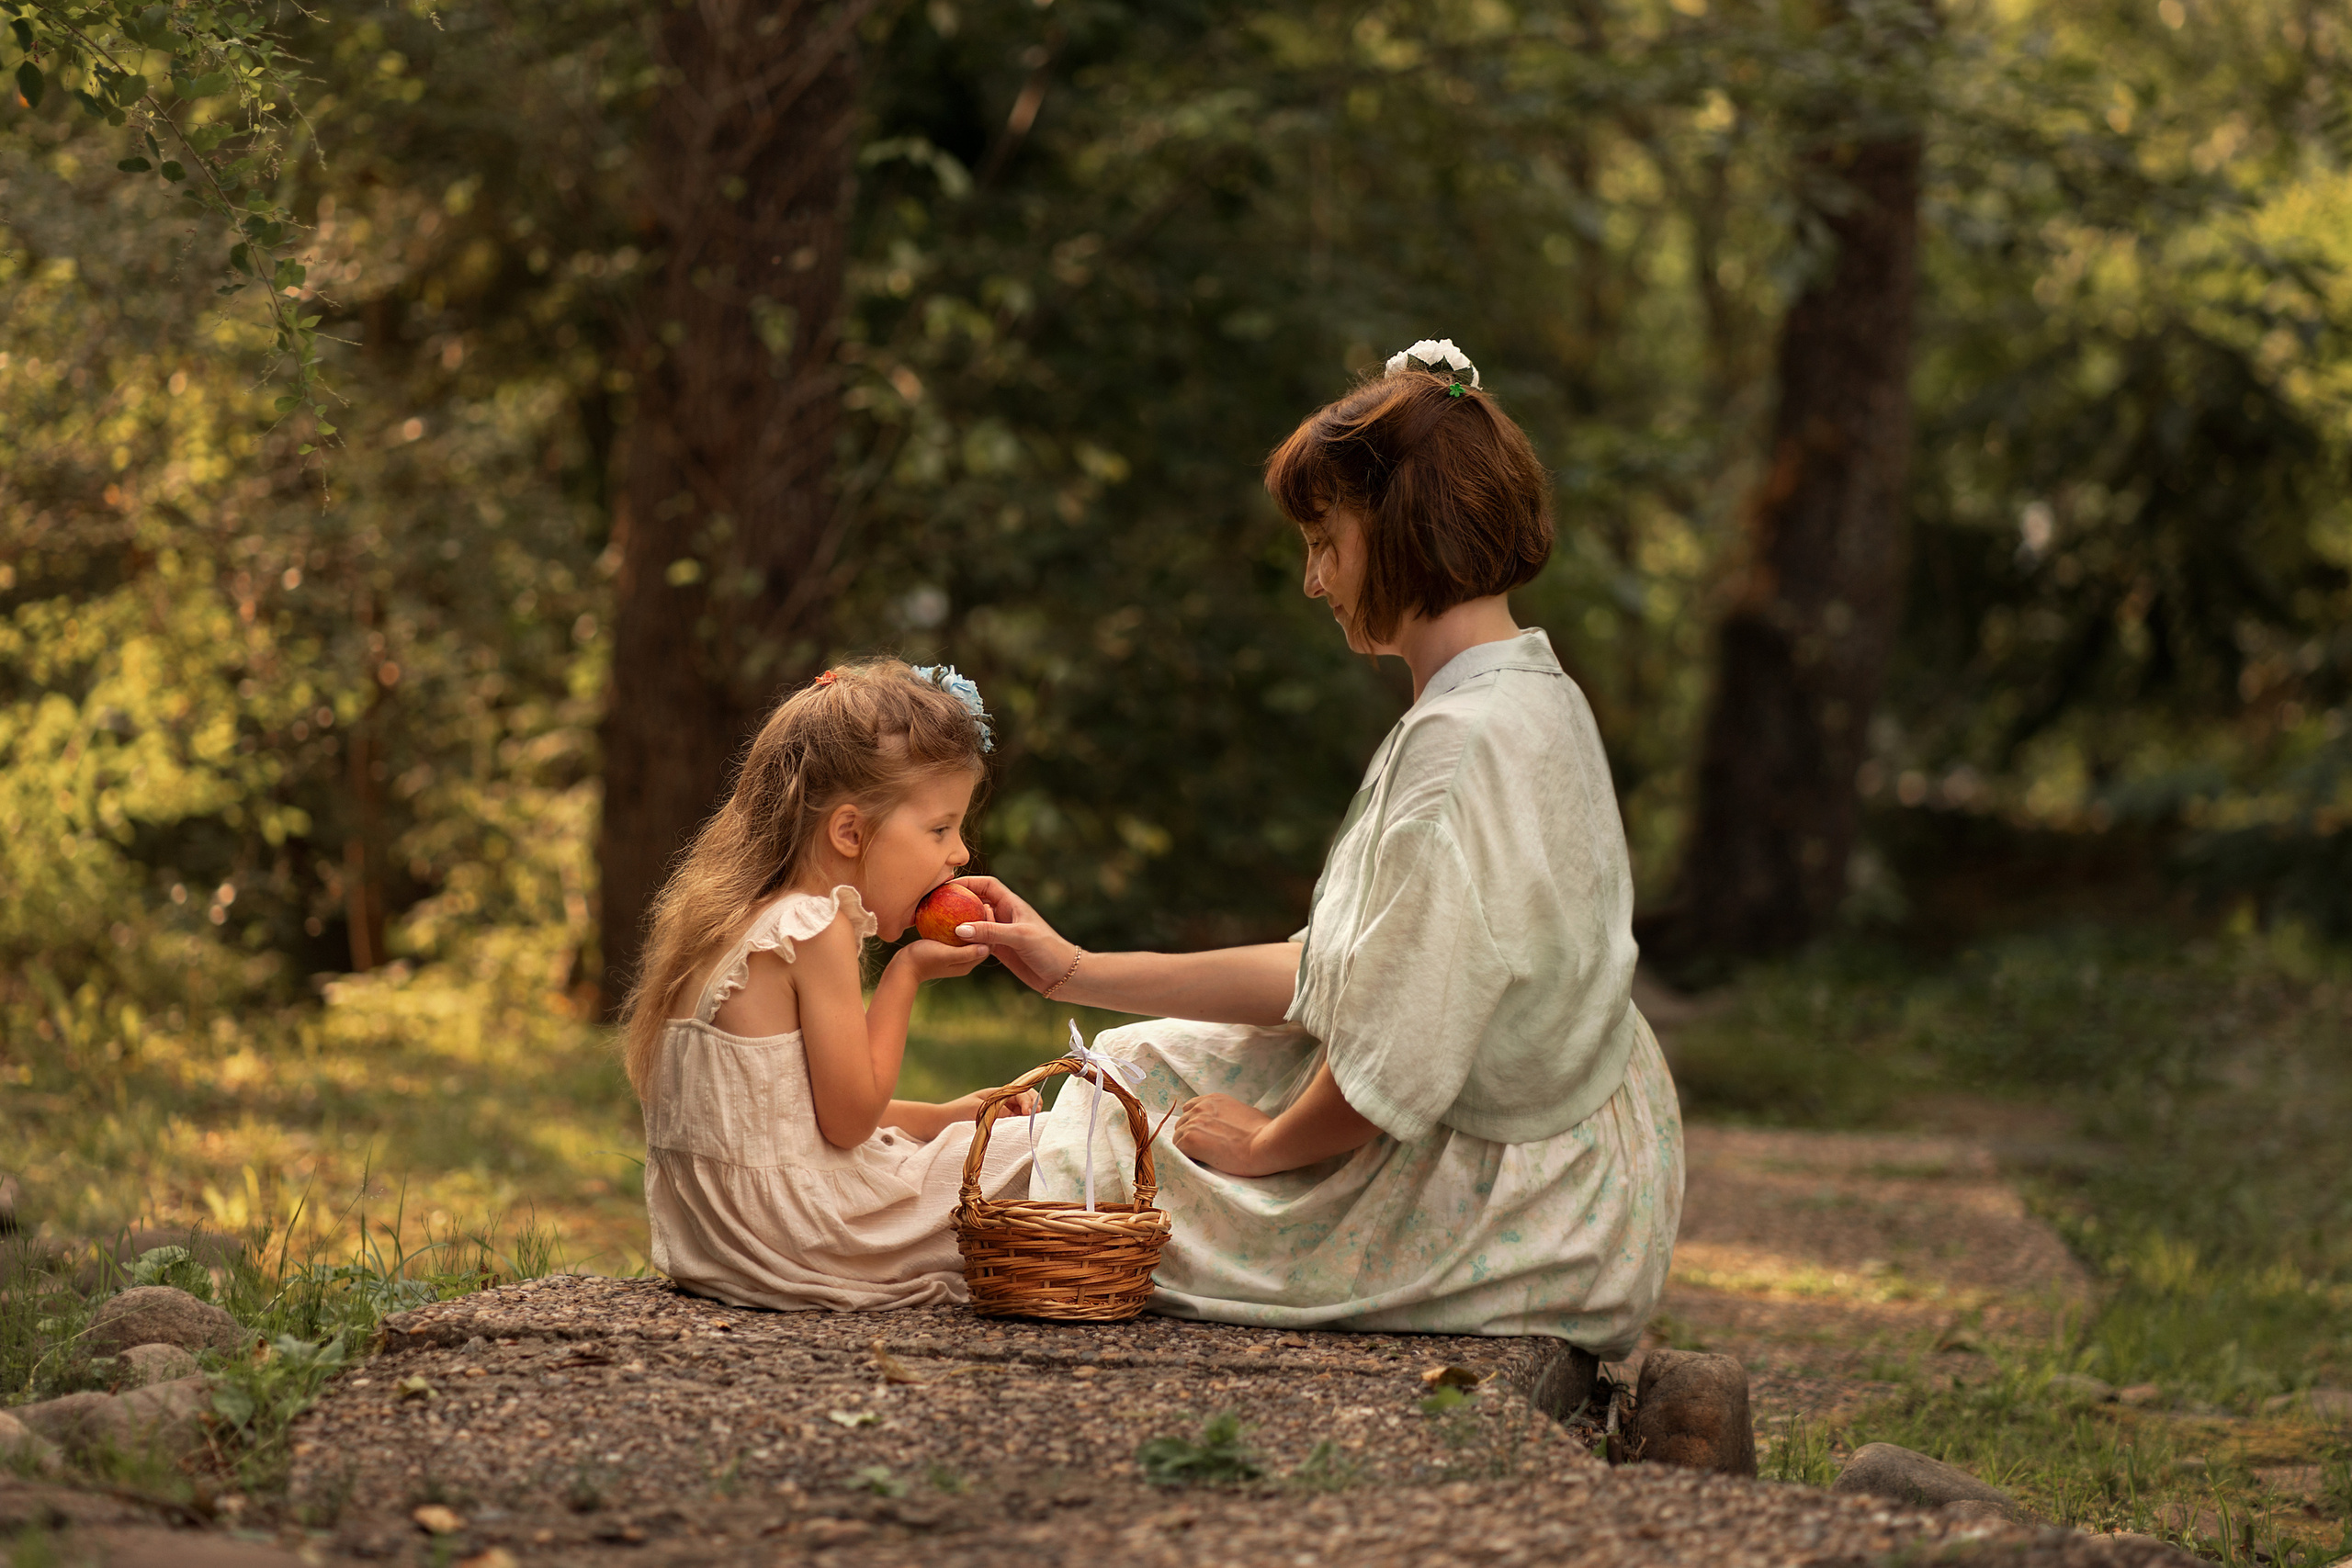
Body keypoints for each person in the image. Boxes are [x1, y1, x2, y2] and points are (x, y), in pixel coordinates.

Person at [956, 340, 1684, 1356]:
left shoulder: (1462, 747)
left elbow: (1400, 1053)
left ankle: (839, 1211)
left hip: (1518, 1206)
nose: (1313, 580)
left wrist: (1260, 1147)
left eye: (1323, 542)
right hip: (1579, 1164)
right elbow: (1346, 972)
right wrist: (1075, 970)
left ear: (1398, 532)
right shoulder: (1527, 692)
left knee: (1104, 1176)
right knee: (1123, 1070)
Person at [618, 659, 1038, 1312]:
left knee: (987, 1141)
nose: (959, 853)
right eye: (939, 828)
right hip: (811, 1233)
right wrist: (907, 972)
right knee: (1053, 1150)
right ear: (849, 831)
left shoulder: (734, 920)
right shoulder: (814, 926)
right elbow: (846, 1123)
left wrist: (941, 1117)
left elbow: (786, 1111)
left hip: (729, 1239)